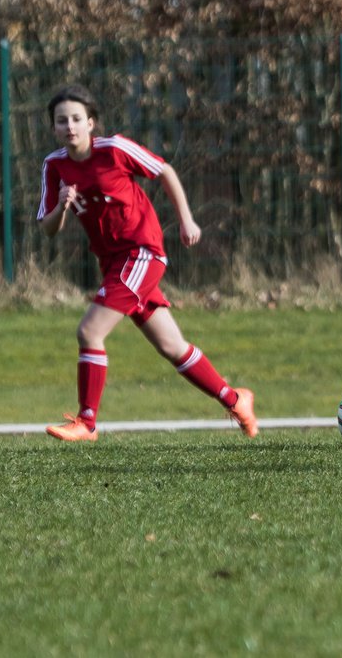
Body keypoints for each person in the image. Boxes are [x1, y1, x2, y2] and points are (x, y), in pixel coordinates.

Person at [37, 85, 257, 441]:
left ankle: (86, 422)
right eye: (62, 121)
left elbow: (165, 170)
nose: (70, 126)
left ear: (91, 123)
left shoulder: (113, 150)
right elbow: (47, 229)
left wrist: (187, 220)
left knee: (89, 331)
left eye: (77, 119)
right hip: (112, 264)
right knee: (172, 346)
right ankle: (236, 399)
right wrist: (62, 206)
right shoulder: (54, 166)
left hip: (141, 253)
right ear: (54, 128)